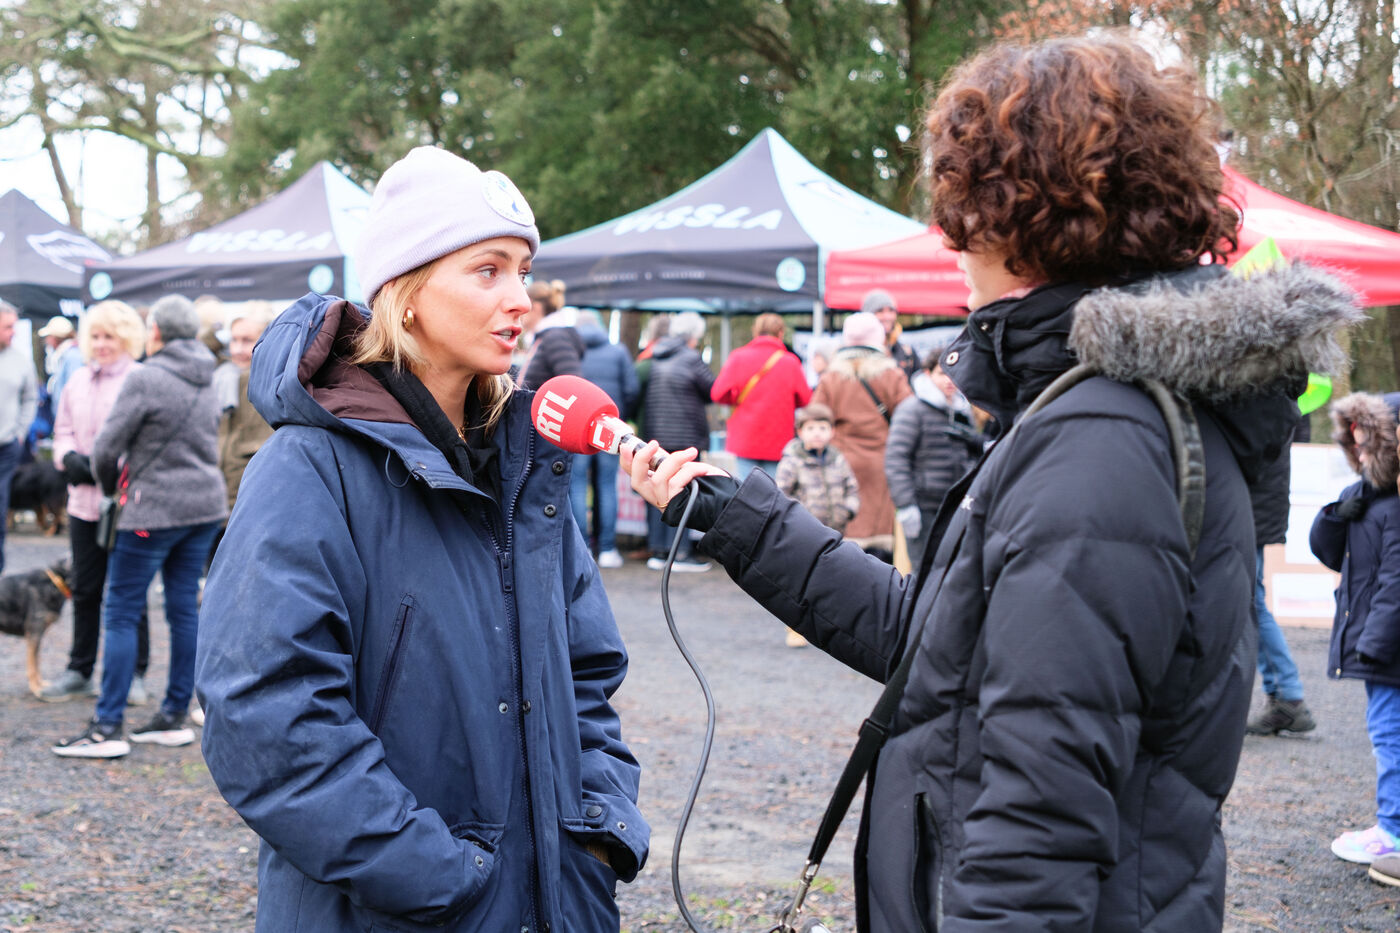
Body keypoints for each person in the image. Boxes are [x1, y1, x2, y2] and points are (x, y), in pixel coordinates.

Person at [623, 33, 1361, 931]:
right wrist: (739, 516)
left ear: (1025, 215)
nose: (948, 238)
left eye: (965, 203)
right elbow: (941, 645)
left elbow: (1037, 826)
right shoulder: (1086, 407)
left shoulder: (1104, 440)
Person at [194, 146, 647, 932]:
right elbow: (265, 712)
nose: (520, 299)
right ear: (406, 292)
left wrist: (597, 833)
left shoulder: (525, 470)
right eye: (487, 270)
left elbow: (586, 677)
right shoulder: (307, 469)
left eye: (523, 271)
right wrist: (439, 874)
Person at [53, 294, 226, 758]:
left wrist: (113, 490)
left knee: (122, 610)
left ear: (156, 332)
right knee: (184, 609)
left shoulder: (146, 377)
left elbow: (106, 450)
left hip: (151, 511)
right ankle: (173, 716)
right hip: (203, 508)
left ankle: (107, 727)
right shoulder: (209, 374)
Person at [41, 301, 154, 705]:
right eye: (96, 336)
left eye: (110, 336)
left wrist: (106, 467)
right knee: (85, 589)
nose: (102, 344)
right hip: (83, 504)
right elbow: (62, 430)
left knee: (129, 590)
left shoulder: (140, 379)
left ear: (126, 338)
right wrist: (67, 457)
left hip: (127, 503)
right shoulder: (77, 380)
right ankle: (80, 668)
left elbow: (147, 440)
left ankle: (135, 672)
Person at [1312, 392, 1400, 865]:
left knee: (1390, 735)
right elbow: (1330, 553)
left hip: (1387, 650)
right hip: (1379, 645)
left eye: (1369, 447)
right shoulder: (1368, 499)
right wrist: (1338, 512)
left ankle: (1394, 831)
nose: (1360, 456)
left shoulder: (1396, 508)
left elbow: (1395, 582)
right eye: (1356, 447)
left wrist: (1374, 644)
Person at [811, 311, 911, 559]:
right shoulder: (892, 375)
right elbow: (909, 418)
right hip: (882, 465)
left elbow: (814, 418)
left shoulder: (831, 378)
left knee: (844, 539)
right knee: (879, 546)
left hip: (840, 464)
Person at [1245, 411, 1317, 735]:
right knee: (1251, 600)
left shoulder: (1264, 402)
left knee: (1251, 601)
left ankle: (1288, 696)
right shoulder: (1279, 398)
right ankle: (1283, 695)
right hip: (1256, 507)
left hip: (1250, 509)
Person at [883, 347, 978, 567]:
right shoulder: (912, 409)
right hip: (923, 506)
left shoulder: (962, 410)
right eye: (942, 373)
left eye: (953, 374)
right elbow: (896, 459)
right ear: (928, 374)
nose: (949, 380)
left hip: (957, 505)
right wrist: (906, 505)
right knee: (924, 570)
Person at [775, 402, 859, 648]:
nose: (817, 433)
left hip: (835, 533)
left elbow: (852, 487)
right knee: (800, 584)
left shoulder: (837, 459)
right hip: (804, 536)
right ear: (800, 431)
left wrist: (849, 509)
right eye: (811, 428)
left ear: (831, 431)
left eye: (823, 428)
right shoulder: (792, 461)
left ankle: (830, 626)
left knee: (832, 580)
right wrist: (796, 522)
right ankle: (795, 628)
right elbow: (780, 494)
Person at [640, 310, 713, 571]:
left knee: (657, 488)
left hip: (656, 436)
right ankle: (680, 553)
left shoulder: (656, 356)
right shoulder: (691, 358)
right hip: (684, 437)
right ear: (694, 336)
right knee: (682, 492)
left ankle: (658, 551)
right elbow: (712, 389)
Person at [573, 308, 639, 567]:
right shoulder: (618, 352)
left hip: (577, 430)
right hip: (611, 429)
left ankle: (582, 550)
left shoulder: (572, 351)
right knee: (607, 485)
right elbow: (631, 389)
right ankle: (609, 550)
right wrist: (621, 416)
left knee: (577, 486)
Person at [711, 313, 811, 479]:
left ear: (755, 332)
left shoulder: (738, 357)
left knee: (747, 488)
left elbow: (717, 394)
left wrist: (736, 397)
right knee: (773, 489)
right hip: (778, 439)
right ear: (780, 333)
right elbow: (805, 399)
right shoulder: (791, 362)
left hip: (745, 437)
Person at [0, 300, 38, 574]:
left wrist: (20, 431)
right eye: (7, 327)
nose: (13, 332)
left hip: (6, 447)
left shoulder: (21, 360)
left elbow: (31, 397)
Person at [861, 288, 918, 383]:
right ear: (867, 315)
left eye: (891, 310)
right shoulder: (858, 352)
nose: (887, 316)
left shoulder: (907, 352)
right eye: (880, 311)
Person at [38, 316, 84, 415]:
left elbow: (75, 391)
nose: (46, 340)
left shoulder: (73, 356)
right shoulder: (63, 355)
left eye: (48, 336)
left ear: (55, 338)